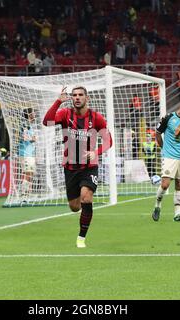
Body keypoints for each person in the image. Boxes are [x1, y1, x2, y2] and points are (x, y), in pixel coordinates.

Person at [43, 85, 113, 248]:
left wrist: (97, 152)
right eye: (74, 95)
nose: (77, 97)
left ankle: (81, 238)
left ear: (86, 98)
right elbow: (46, 121)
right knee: (75, 207)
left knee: (86, 197)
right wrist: (58, 102)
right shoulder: (65, 114)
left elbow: (109, 140)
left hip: (89, 167)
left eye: (81, 95)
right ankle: (84, 210)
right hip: (70, 167)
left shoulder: (96, 118)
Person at [153, 98, 180, 222]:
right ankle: (157, 205)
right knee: (165, 184)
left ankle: (177, 215)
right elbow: (157, 133)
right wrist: (163, 149)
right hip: (169, 156)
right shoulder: (168, 118)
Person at [18, 108, 37, 200]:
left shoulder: (31, 125)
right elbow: (24, 138)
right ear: (29, 114)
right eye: (33, 112)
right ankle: (23, 194)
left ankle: (27, 193)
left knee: (30, 174)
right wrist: (32, 139)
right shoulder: (25, 125)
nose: (35, 114)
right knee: (27, 174)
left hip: (30, 153)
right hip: (25, 153)